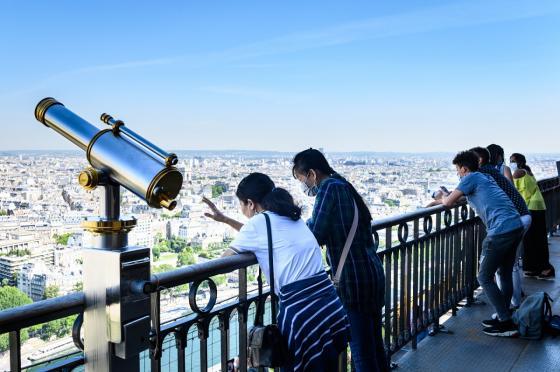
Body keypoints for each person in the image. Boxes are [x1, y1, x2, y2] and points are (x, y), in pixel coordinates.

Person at [203, 173, 349, 372]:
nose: (241, 210)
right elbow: (263, 235)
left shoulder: (258, 224)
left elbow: (223, 262)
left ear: (250, 203)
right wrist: (226, 220)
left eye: (241, 205)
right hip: (329, 306)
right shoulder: (292, 217)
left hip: (302, 313)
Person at [292, 149, 387, 372]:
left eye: (301, 179)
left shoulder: (329, 188)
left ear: (312, 174)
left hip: (353, 280)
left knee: (361, 350)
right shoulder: (342, 184)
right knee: (374, 343)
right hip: (371, 272)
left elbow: (316, 233)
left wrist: (301, 224)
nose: (303, 185)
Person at [431, 150, 523, 337]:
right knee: (504, 273)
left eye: (458, 170)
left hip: (500, 230)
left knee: (484, 277)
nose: (458, 173)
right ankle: (504, 316)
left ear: (464, 168)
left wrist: (440, 197)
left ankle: (505, 321)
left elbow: (448, 203)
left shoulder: (470, 178)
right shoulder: (482, 178)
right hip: (515, 225)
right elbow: (467, 197)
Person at [470, 147, 531, 308]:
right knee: (507, 268)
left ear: (480, 159)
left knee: (507, 269)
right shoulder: (493, 170)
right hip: (519, 216)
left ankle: (511, 306)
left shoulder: (482, 173)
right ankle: (510, 305)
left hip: (513, 219)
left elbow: (460, 194)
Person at [510, 153, 555, 280]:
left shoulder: (518, 172)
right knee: (534, 238)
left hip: (532, 207)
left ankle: (545, 268)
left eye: (512, 161)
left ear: (518, 162)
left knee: (534, 239)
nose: (511, 163)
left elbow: (509, 186)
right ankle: (534, 268)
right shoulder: (527, 171)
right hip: (536, 205)